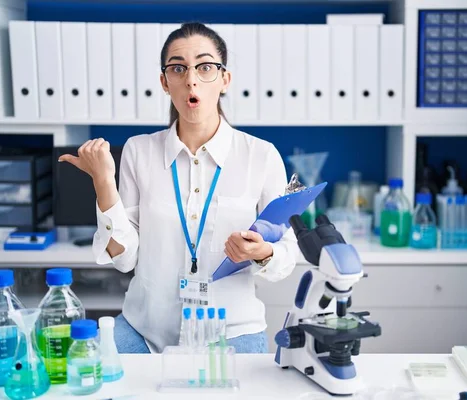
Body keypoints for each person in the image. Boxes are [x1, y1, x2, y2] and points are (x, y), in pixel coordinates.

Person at [58, 22, 298, 354]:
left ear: (225, 79)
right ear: (164, 82)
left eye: (205, 67)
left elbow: (286, 253)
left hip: (232, 331)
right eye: (178, 68)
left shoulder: (261, 155)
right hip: (145, 330)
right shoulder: (139, 151)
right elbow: (124, 260)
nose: (191, 79)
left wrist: (262, 252)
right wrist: (103, 183)